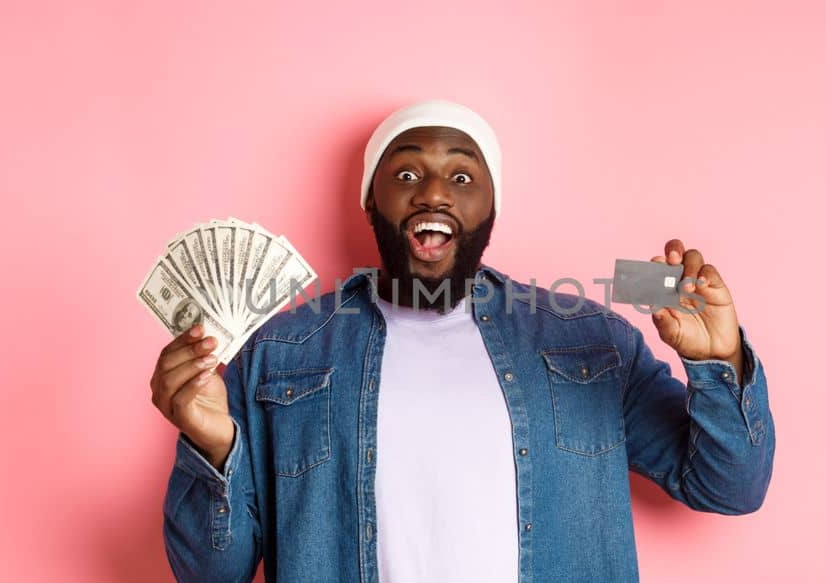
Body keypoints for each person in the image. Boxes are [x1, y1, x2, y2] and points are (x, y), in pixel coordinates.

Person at [149, 100, 775, 582]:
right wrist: (209, 445)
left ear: (493, 207)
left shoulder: (590, 341)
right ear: (371, 196)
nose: (434, 191)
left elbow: (729, 488)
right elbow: (210, 572)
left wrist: (716, 362)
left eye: (463, 176)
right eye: (407, 171)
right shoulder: (281, 352)